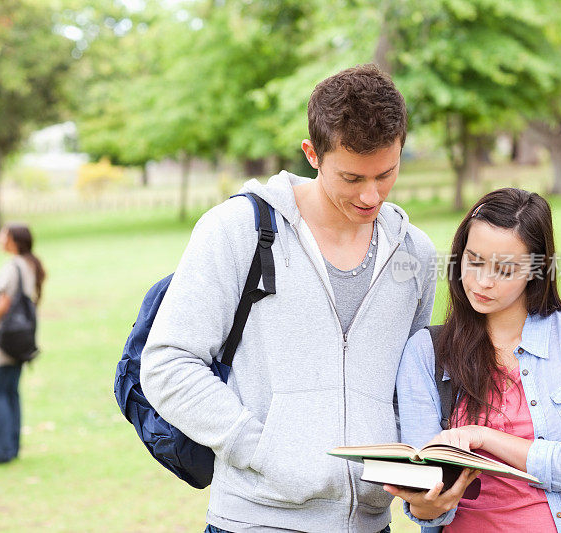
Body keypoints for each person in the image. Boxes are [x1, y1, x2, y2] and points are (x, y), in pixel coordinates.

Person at [141, 64, 437, 532]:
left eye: (386, 174)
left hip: (372, 524)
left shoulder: (415, 254)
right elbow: (167, 364)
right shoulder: (236, 230)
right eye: (352, 177)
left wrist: (420, 478)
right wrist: (262, 451)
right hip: (256, 519)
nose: (371, 195)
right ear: (312, 154)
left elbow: (410, 384)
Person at [393, 188, 561, 532]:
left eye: (505, 270)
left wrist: (484, 437)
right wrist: (424, 506)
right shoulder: (425, 352)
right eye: (474, 261)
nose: (483, 282)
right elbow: (428, 493)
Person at [0, 224, 45, 465]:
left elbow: (4, 302)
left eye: (3, 234)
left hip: (3, 339)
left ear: (13, 240)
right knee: (10, 392)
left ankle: (0, 451)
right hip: (20, 338)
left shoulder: (12, 266)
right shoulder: (28, 265)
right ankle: (11, 446)